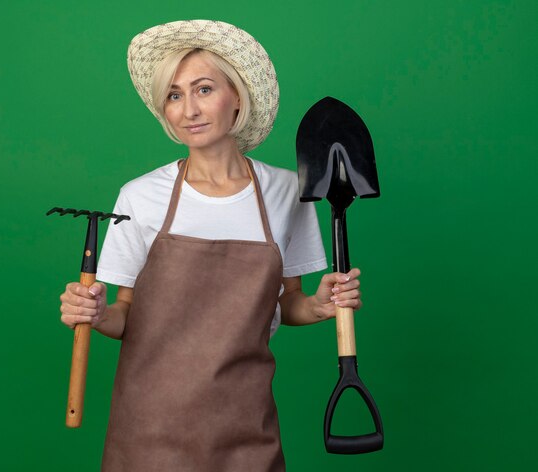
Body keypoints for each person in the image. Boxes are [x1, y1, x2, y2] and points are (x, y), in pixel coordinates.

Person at [59, 20, 363, 471]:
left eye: (203, 89)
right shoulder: (140, 196)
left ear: (237, 95)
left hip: (245, 425)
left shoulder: (285, 192)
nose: (189, 110)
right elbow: (126, 313)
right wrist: (97, 314)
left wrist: (320, 307)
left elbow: (290, 302)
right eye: (174, 95)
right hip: (149, 429)